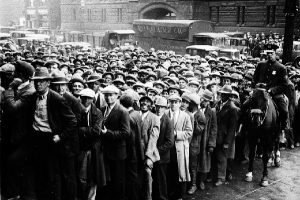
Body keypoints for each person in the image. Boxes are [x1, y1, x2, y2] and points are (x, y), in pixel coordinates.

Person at [5, 67, 78, 199]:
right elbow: (15, 109)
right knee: (14, 160)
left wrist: (60, 136)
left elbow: (72, 121)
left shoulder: (56, 99)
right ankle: (21, 194)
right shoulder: (33, 97)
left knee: (51, 174)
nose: (38, 84)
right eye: (36, 81)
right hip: (34, 138)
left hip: (49, 139)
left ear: (48, 83)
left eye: (42, 81)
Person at [101, 85, 130, 200]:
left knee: (118, 181)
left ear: (117, 96)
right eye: (106, 95)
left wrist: (107, 133)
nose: (108, 98)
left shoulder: (122, 111)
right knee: (108, 180)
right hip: (106, 150)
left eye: (111, 95)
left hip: (118, 151)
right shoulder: (103, 109)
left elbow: (126, 133)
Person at [77, 88, 105, 200]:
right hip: (82, 148)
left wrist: (81, 130)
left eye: (88, 98)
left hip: (94, 149)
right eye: (83, 98)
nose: (85, 100)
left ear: (92, 99)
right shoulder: (77, 110)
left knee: (94, 177)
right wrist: (87, 130)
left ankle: (91, 198)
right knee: (81, 176)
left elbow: (96, 131)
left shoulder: (97, 112)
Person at [253, 50, 289, 132]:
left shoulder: (281, 67)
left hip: (275, 95)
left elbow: (284, 85)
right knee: (245, 105)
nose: (269, 55)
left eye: (271, 53)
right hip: (260, 93)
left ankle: (282, 131)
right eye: (267, 54)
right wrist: (257, 85)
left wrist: (271, 90)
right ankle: (241, 128)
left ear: (275, 54)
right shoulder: (260, 65)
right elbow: (254, 79)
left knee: (284, 110)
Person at [167, 94, 193, 200]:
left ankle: (180, 195)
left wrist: (176, 134)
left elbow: (189, 132)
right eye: (172, 102)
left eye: (176, 102)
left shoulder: (185, 116)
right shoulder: (165, 114)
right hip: (167, 148)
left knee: (181, 171)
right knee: (169, 170)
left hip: (180, 147)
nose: (173, 104)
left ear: (179, 103)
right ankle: (169, 192)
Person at [119, 93, 143, 200]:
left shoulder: (128, 117)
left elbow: (130, 137)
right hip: (138, 149)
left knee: (131, 177)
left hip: (131, 151)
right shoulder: (137, 114)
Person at [214, 85, 239, 186]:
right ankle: (215, 175)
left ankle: (221, 178)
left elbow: (232, 128)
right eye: (222, 94)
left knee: (222, 157)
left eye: (225, 94)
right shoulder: (218, 104)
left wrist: (227, 142)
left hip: (224, 137)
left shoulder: (232, 108)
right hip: (216, 135)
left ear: (229, 96)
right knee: (216, 156)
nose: (222, 96)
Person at [139, 95, 160, 200]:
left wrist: (148, 156)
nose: (144, 104)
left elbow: (153, 138)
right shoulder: (135, 115)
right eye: (142, 101)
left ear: (151, 105)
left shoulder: (154, 118)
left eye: (147, 102)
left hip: (148, 152)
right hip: (136, 152)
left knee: (147, 176)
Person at [152, 96, 174, 200]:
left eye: (162, 107)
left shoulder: (168, 121)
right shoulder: (152, 117)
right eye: (157, 107)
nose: (159, 109)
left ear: (165, 108)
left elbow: (170, 142)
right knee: (154, 180)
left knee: (161, 180)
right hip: (151, 155)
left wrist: (156, 150)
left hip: (161, 157)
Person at [197, 90, 217, 190]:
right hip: (196, 139)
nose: (203, 101)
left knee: (204, 162)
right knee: (194, 161)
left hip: (205, 140)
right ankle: (193, 181)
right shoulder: (196, 109)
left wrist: (211, 144)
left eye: (206, 100)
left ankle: (201, 181)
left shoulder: (212, 112)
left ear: (209, 101)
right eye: (202, 99)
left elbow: (214, 129)